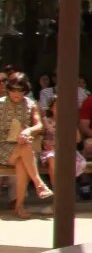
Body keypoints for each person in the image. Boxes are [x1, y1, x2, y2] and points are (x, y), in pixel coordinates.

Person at [1, 76, 49, 218]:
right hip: (2, 146)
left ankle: (19, 205)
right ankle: (39, 183)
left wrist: (28, 131)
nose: (16, 93)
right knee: (25, 147)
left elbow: (39, 125)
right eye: (12, 89)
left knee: (23, 159)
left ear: (25, 90)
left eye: (20, 90)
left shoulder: (31, 104)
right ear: (7, 90)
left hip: (22, 147)